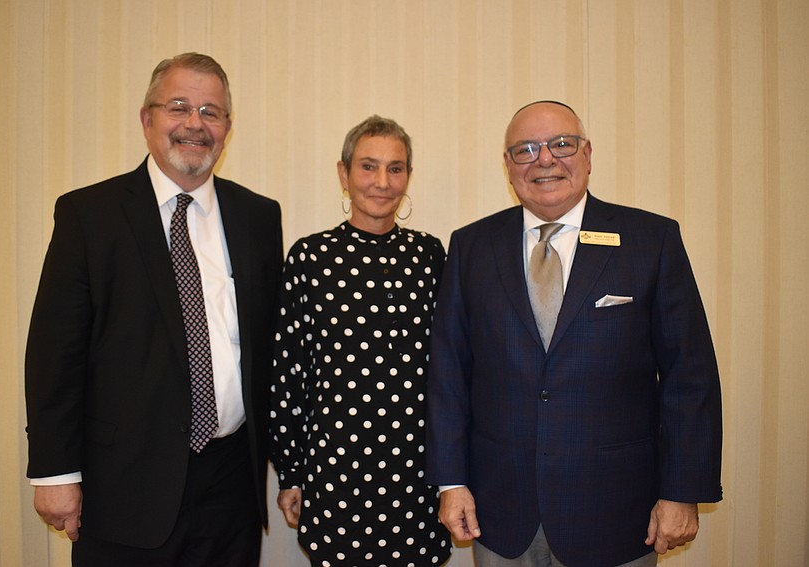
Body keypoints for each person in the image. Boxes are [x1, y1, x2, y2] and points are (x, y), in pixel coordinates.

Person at [425, 101, 723, 567]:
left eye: (561, 144)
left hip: (617, 511)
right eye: (525, 150)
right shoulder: (471, 246)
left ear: (587, 154)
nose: (545, 160)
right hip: (500, 514)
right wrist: (450, 482)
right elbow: (448, 375)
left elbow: (691, 376)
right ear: (508, 166)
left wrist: (682, 491)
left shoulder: (651, 240)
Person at [24, 52, 283, 566]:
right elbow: (55, 354)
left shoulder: (258, 216)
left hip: (230, 484)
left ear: (228, 127)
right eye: (179, 107)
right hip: (123, 485)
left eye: (211, 111)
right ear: (147, 120)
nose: (195, 124)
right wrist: (55, 474)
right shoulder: (89, 215)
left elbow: (268, 348)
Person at [270, 115, 452, 566]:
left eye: (396, 168)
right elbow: (288, 372)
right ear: (344, 173)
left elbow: (453, 369)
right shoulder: (311, 257)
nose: (382, 182)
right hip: (335, 468)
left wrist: (455, 475)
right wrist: (291, 472)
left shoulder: (430, 256)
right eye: (368, 167)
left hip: (417, 470)